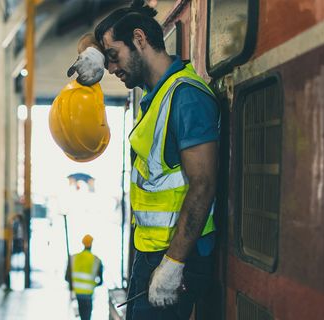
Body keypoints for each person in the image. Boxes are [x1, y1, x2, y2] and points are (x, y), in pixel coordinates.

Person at [67, 1, 219, 319]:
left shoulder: (186, 97)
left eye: (112, 56)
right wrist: (94, 51)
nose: (110, 69)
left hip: (176, 258)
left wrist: (173, 264)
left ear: (139, 39)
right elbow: (91, 38)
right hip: (151, 254)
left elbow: (203, 186)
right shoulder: (156, 96)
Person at [65, 234, 103, 320]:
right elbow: (100, 282)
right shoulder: (97, 260)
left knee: (82, 316)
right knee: (87, 317)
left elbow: (67, 278)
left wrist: (74, 286)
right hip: (88, 295)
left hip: (77, 294)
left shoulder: (73, 258)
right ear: (91, 244)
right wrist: (93, 285)